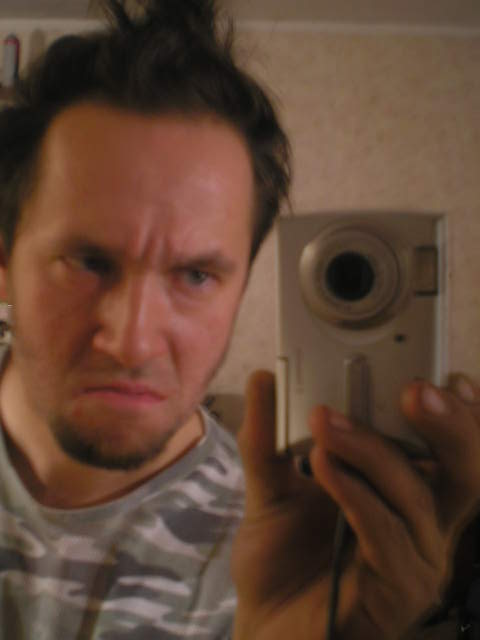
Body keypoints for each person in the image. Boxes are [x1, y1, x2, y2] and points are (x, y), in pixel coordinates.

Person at [0, 1, 478, 638]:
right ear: (4, 264)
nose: (133, 342)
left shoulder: (291, 554)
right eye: (89, 262)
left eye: (196, 275)